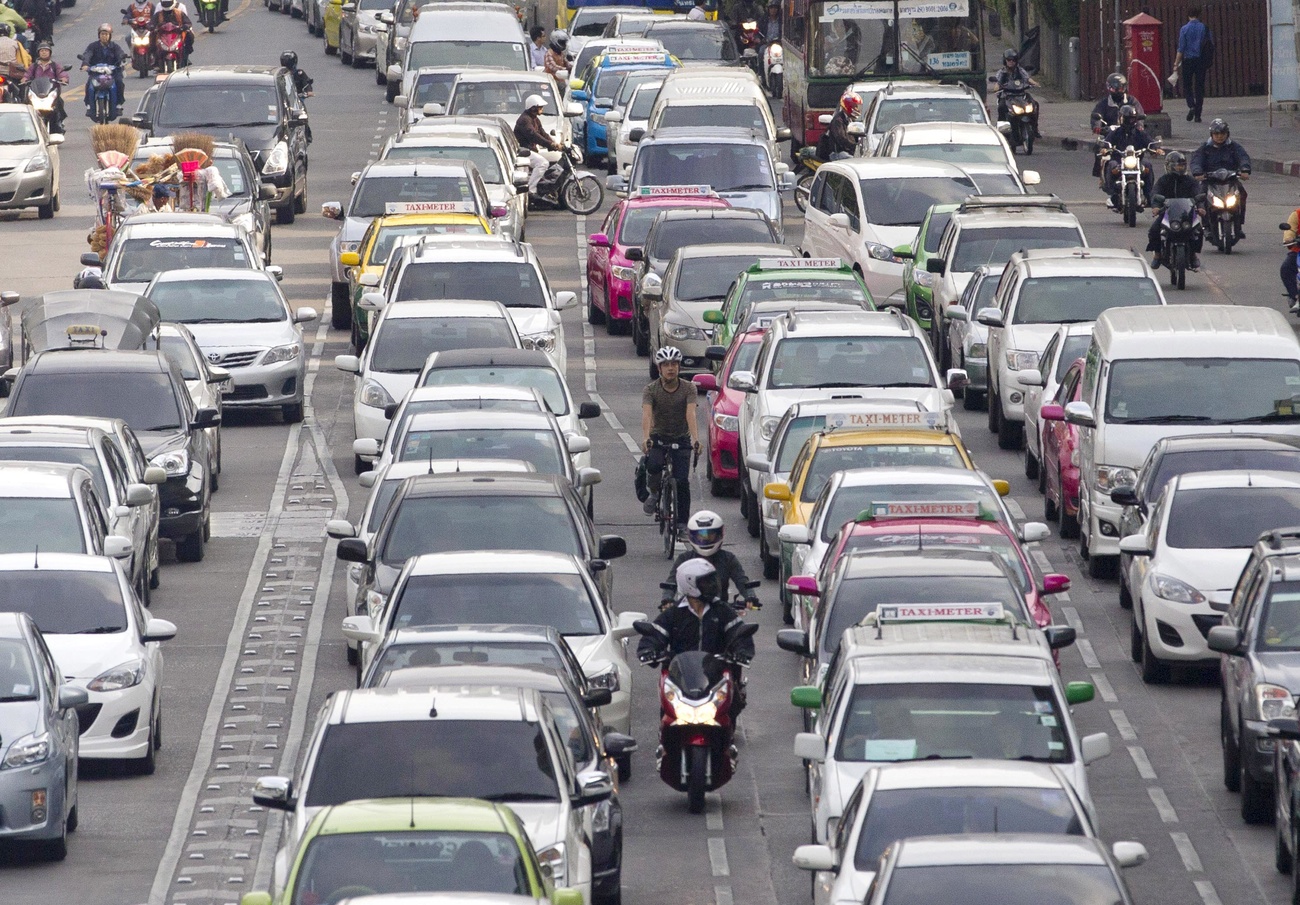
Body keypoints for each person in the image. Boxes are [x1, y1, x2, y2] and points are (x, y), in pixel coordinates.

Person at [637, 559, 755, 719]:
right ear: (689, 584)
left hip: (714, 675)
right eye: (706, 582)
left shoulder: (722, 610)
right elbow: (655, 634)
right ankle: (665, 740)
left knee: (730, 705)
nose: (712, 585)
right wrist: (648, 650)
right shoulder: (674, 614)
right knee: (668, 713)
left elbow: (738, 632)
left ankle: (727, 738)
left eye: (713, 580)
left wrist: (742, 651)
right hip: (680, 676)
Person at [642, 346, 699, 531]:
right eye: (665, 364)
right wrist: (646, 438)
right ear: (659, 368)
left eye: (674, 364)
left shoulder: (689, 388)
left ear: (679, 367)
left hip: (681, 438)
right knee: (653, 465)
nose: (670, 368)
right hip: (659, 436)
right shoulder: (651, 389)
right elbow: (647, 415)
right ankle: (654, 492)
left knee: (682, 482)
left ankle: (682, 523)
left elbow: (691, 414)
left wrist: (696, 440)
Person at [661, 511, 760, 611]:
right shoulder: (684, 559)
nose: (705, 539)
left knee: (741, 627)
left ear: (720, 534)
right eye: (701, 536)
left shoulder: (728, 558)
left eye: (710, 535)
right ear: (692, 536)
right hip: (689, 613)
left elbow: (742, 581)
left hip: (722, 613)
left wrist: (750, 597)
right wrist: (667, 599)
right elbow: (671, 583)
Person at [1191, 118, 1250, 239]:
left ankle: (1239, 225)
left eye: (1222, 134)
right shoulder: (1205, 148)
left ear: (1227, 134)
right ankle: (1206, 226)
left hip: (1230, 180)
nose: (1219, 136)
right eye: (1216, 134)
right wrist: (1198, 172)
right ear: (1211, 135)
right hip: (1210, 181)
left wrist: (1244, 170)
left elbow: (1243, 157)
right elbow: (1196, 161)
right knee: (1201, 196)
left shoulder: (1234, 147)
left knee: (1242, 194)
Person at [1145, 151, 1202, 270]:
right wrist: (1155, 206)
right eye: (1176, 165)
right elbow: (1155, 193)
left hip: (1187, 213)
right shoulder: (1163, 180)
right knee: (1154, 230)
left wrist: (1201, 206)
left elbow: (1198, 193)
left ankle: (1193, 254)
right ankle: (1157, 254)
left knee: (1198, 230)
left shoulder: (1190, 180)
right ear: (1169, 166)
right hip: (1167, 212)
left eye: (1181, 165)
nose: (1179, 168)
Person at [1099, 105, 1155, 209]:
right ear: (1121, 118)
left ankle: (1149, 195)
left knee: (1148, 166)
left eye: (1132, 119)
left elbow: (1149, 142)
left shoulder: (1139, 133)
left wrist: (1155, 148)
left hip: (1137, 161)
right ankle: (1113, 196)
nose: (1130, 121)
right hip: (1119, 161)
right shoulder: (1115, 133)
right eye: (1127, 119)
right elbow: (1107, 142)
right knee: (1111, 165)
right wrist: (1104, 148)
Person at [513, 93, 560, 197]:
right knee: (543, 163)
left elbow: (542, 133)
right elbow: (534, 136)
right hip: (523, 151)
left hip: (530, 150)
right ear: (533, 108)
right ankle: (531, 190)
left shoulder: (534, 119)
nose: (542, 109)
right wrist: (550, 144)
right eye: (540, 107)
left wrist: (555, 144)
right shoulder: (525, 120)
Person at [80, 24, 127, 119]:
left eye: (106, 34)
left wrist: (121, 60)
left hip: (113, 73)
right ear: (99, 35)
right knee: (89, 85)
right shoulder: (93, 46)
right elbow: (87, 55)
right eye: (102, 34)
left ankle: (118, 104)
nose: (104, 36)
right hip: (96, 73)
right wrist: (85, 64)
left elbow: (120, 54)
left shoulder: (115, 46)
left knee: (119, 83)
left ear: (110, 36)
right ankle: (89, 105)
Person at [1174, 7, 1210, 123]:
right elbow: (1210, 44)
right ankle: (1198, 115)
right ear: (1199, 15)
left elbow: (1181, 48)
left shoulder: (1184, 29)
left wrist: (1176, 64)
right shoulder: (1204, 28)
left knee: (1187, 85)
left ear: (1188, 16)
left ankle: (1191, 105)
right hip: (1201, 60)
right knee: (1199, 87)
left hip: (1188, 60)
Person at [993, 48, 1039, 139]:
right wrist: (997, 87)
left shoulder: (1020, 70)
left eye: (1013, 60)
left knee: (1034, 104)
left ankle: (1034, 128)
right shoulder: (1002, 72)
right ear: (1005, 61)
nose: (1011, 62)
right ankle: (1002, 129)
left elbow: (1027, 78)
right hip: (1007, 95)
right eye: (1008, 60)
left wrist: (1034, 83)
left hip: (1020, 94)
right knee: (1001, 107)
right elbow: (997, 84)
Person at [24, 42, 67, 132]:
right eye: (42, 51)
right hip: (36, 93)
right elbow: (27, 74)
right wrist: (24, 79)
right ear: (38, 53)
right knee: (26, 104)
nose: (44, 52)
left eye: (46, 51)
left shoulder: (55, 66)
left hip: (50, 93)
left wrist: (63, 78)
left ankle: (59, 125)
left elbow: (62, 73)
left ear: (50, 53)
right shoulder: (34, 66)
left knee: (59, 104)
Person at [816, 90, 859, 161]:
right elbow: (842, 139)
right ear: (848, 106)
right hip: (837, 153)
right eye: (854, 106)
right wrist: (855, 147)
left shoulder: (850, 119)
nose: (856, 109)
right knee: (854, 160)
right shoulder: (838, 121)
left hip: (847, 151)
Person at [151, 0, 193, 64]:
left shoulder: (180, 11)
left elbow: (188, 22)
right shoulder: (158, 14)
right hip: (162, 34)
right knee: (151, 36)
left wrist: (184, 27)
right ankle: (155, 57)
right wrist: (152, 27)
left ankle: (186, 55)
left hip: (177, 33)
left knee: (190, 35)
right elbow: (152, 23)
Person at [1280, 203, 1300, 312]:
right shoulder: (1297, 214)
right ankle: (1295, 296)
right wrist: (1289, 239)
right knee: (1286, 268)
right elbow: (1289, 230)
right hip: (1298, 251)